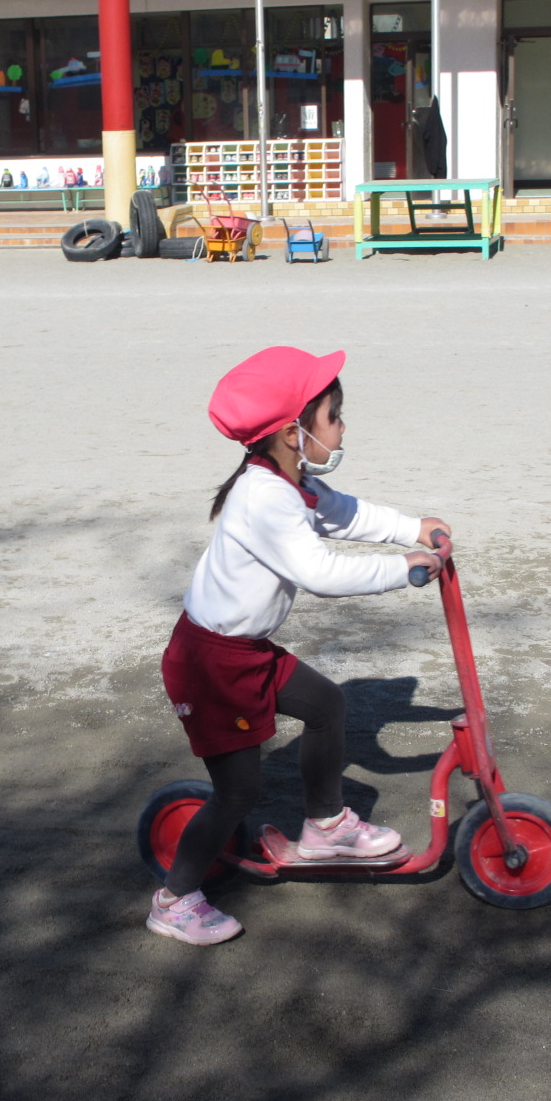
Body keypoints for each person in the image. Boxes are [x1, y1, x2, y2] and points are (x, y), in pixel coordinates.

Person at [149, 346, 452, 945]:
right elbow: (323, 573)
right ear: (293, 432)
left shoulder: (289, 481)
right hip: (211, 664)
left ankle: (325, 826)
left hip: (243, 649)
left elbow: (344, 513)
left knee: (326, 705)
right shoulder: (263, 498)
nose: (342, 427)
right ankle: (174, 898)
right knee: (239, 791)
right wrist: (405, 569)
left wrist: (411, 527)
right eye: (333, 416)